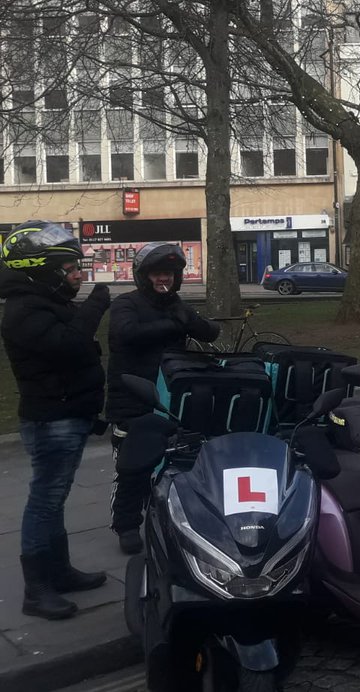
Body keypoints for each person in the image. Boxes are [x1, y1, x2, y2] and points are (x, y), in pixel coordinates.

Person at [0, 221, 111, 620]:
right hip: (53, 418)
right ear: (46, 270)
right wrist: (97, 305)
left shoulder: (43, 301)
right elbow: (67, 346)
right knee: (44, 501)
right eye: (71, 270)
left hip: (69, 412)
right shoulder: (24, 309)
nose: (79, 276)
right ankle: (37, 590)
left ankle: (60, 572)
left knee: (55, 498)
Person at [106, 242, 220, 554]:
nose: (163, 279)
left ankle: (179, 516)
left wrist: (190, 319)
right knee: (133, 466)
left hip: (171, 395)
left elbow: (210, 332)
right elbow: (126, 334)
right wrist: (174, 323)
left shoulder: (177, 305)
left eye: (168, 273)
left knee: (180, 460)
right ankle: (127, 524)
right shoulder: (126, 304)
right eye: (157, 274)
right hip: (133, 395)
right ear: (144, 276)